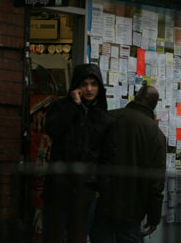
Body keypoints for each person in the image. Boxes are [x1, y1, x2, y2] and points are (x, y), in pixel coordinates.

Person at [42, 63, 115, 243]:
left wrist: (99, 189)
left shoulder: (104, 118)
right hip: (59, 187)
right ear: (76, 86)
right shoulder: (61, 107)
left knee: (78, 237)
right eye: (84, 84)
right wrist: (74, 106)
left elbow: (107, 157)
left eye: (93, 84)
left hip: (86, 191)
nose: (89, 89)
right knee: (54, 236)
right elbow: (53, 129)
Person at [89, 86, 166, 243]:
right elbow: (156, 182)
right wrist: (154, 217)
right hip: (132, 210)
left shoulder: (109, 118)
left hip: (102, 202)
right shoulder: (155, 134)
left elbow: (90, 158)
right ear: (154, 105)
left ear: (136, 97)